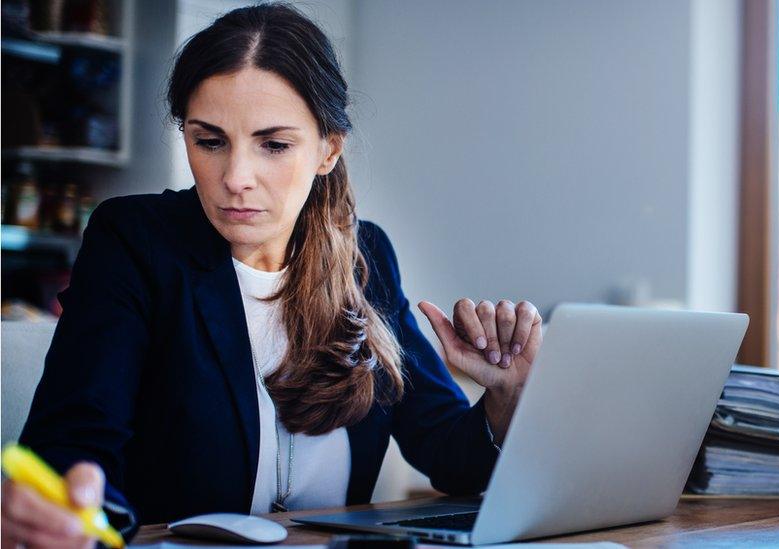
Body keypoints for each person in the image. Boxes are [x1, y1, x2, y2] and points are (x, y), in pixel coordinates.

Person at [0, 4, 542, 547]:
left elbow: (450, 457)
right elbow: (73, 441)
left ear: (328, 149)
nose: (236, 178)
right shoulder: (136, 242)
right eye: (209, 141)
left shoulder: (366, 257)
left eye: (274, 145)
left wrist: (506, 398)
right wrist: (75, 509)